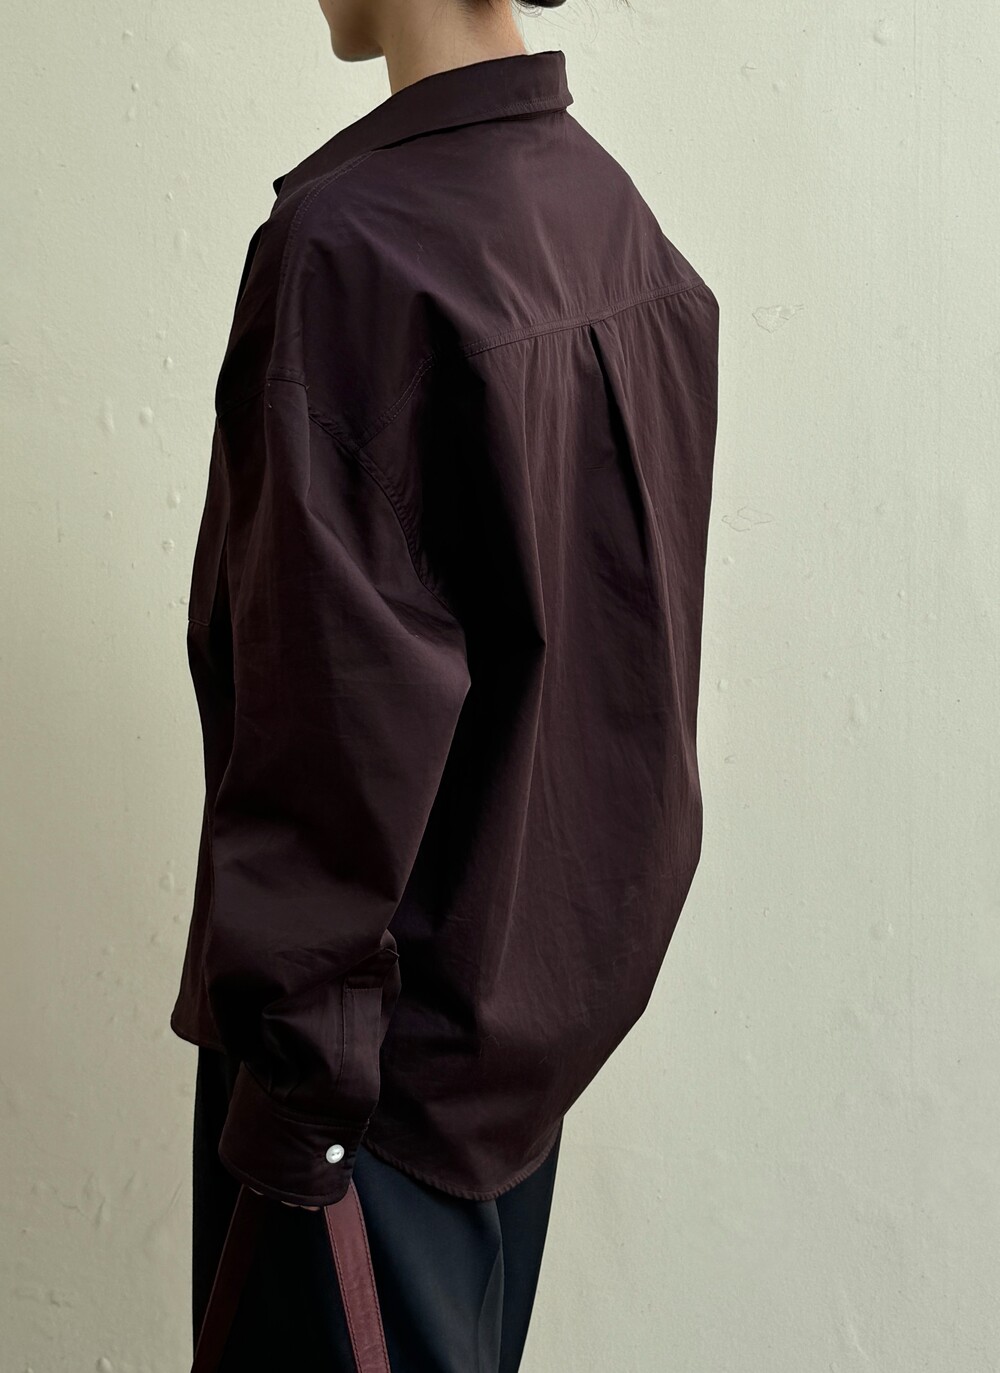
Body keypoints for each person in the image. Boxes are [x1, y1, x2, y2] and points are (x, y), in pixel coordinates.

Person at [171, 0, 720, 1366]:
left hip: (362, 1109)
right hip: (510, 1082)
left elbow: (325, 740)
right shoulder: (613, 219)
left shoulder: (351, 251)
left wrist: (293, 1125)